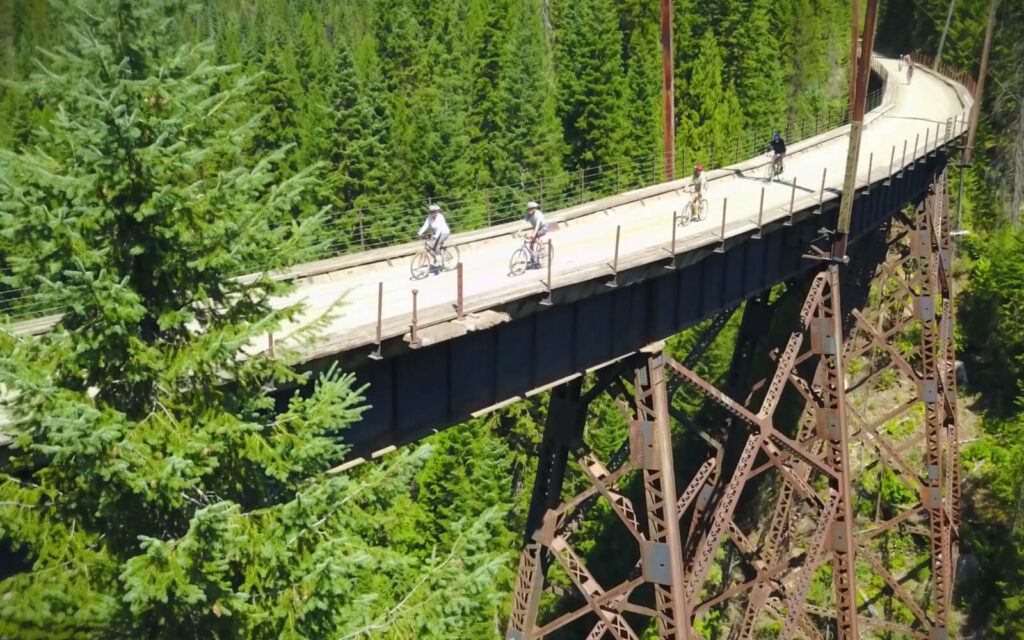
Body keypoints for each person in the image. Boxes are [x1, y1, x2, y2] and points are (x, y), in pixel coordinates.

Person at [417, 203, 450, 269]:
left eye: (433, 212)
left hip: (444, 232)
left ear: (437, 212)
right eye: (431, 212)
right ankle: (438, 256)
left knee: (436, 245)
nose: (432, 213)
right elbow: (425, 225)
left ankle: (439, 261)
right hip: (436, 233)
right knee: (430, 244)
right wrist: (419, 233)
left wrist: (436, 236)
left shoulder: (440, 217)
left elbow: (440, 228)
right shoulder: (429, 217)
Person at [518, 201, 548, 267]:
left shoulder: (538, 214)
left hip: (543, 228)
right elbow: (524, 222)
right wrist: (519, 231)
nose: (529, 210)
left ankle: (544, 252)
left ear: (534, 208)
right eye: (528, 209)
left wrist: (533, 234)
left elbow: (537, 225)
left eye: (531, 208)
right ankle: (533, 259)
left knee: (536, 238)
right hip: (536, 229)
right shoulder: (528, 214)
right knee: (531, 244)